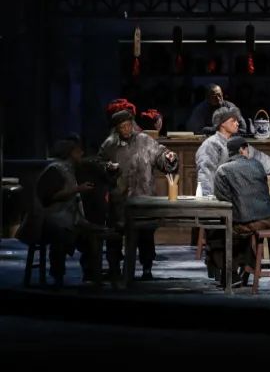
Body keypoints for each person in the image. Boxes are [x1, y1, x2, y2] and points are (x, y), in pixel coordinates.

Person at [98, 110, 179, 280]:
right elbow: (99, 164)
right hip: (120, 198)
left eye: (129, 125)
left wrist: (168, 157)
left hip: (144, 195)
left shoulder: (144, 140)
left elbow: (160, 154)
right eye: (122, 127)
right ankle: (114, 267)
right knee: (116, 234)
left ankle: (147, 268)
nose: (126, 129)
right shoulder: (110, 144)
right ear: (116, 128)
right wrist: (107, 167)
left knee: (146, 234)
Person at [17, 137, 100, 285]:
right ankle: (58, 275)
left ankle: (90, 274)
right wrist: (77, 189)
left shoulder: (70, 169)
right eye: (78, 151)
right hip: (46, 220)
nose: (81, 153)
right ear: (70, 153)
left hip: (66, 218)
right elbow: (49, 197)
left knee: (90, 234)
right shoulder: (55, 170)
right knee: (60, 233)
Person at [209, 136, 270, 285]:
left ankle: (231, 274)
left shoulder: (223, 170)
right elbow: (264, 189)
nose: (248, 152)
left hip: (246, 222)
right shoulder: (258, 165)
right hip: (268, 218)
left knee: (217, 232)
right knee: (238, 230)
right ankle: (245, 267)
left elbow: (224, 199)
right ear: (242, 150)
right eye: (247, 149)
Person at [195, 106, 270, 199]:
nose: (237, 123)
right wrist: (208, 198)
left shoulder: (237, 143)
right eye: (233, 121)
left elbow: (260, 158)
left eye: (237, 121)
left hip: (238, 195)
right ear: (222, 123)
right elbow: (205, 172)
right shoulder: (211, 144)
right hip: (219, 196)